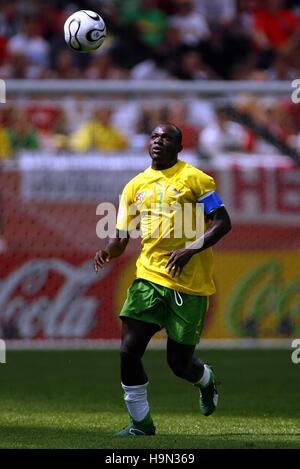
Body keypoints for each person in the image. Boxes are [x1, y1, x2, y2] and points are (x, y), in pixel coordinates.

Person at [94, 123, 232, 436]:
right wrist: (107, 252)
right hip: (148, 277)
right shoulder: (134, 186)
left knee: (179, 365)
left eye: (167, 137)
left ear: (179, 147)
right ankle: (141, 424)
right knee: (129, 350)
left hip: (189, 283)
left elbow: (223, 223)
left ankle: (205, 379)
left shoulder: (195, 179)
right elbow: (120, 237)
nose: (159, 141)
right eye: (154, 136)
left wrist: (189, 250)